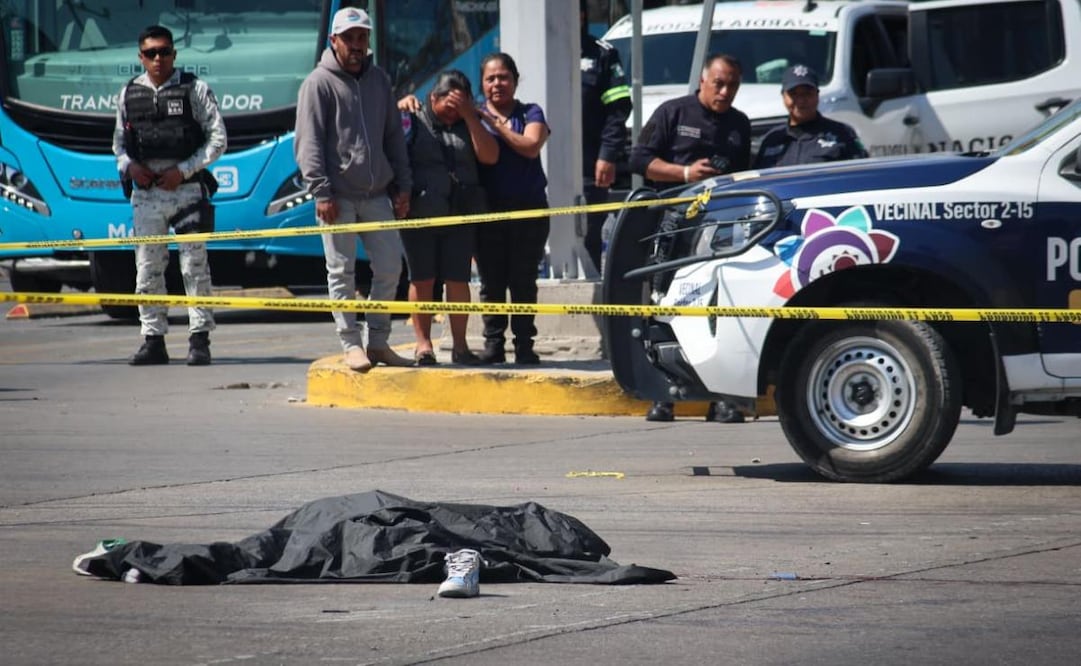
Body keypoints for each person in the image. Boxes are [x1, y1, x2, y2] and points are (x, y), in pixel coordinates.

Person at [629, 53, 751, 423]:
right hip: (674, 224)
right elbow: (638, 160)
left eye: (732, 85)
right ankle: (664, 393)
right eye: (719, 83)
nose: (725, 91)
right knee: (664, 303)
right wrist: (684, 173)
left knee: (718, 309)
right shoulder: (673, 113)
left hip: (722, 229)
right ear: (703, 80)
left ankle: (722, 396)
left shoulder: (740, 124)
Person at [294, 7, 414, 373]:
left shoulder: (379, 80)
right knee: (341, 272)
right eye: (350, 38)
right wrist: (321, 192)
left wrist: (403, 186)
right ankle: (351, 345)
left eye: (362, 37)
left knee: (391, 267)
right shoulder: (318, 83)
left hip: (378, 194)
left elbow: (394, 137)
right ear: (334, 41)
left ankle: (378, 342)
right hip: (337, 198)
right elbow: (308, 142)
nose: (357, 45)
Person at [113, 25, 226, 367]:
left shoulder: (195, 89)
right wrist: (131, 167)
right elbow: (119, 144)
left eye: (164, 52)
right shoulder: (128, 94)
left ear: (174, 54)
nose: (158, 59)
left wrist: (185, 171)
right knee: (147, 269)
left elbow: (218, 139)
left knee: (194, 266)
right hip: (147, 195)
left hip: (187, 190)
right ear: (141, 57)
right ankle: (153, 340)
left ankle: (200, 339)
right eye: (150, 53)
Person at [398, 70, 498, 365]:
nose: (454, 113)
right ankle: (423, 345)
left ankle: (460, 346)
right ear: (433, 98)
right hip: (420, 215)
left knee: (458, 280)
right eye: (449, 106)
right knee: (423, 279)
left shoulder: (471, 122)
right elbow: (384, 135)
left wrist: (469, 116)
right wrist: (398, 106)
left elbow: (490, 156)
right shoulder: (412, 119)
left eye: (461, 104)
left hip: (460, 215)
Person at [474, 52, 551, 365]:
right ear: (482, 83)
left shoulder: (531, 112)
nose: (497, 84)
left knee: (523, 281)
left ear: (515, 81)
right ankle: (494, 344)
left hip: (529, 211)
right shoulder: (473, 116)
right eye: (490, 78)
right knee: (491, 282)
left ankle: (524, 345)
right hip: (488, 212)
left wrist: (495, 125)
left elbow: (530, 147)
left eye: (503, 77)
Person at [580, 1, 632, 275]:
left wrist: (607, 154)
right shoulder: (536, 51)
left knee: (587, 233)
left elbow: (619, 108)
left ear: (581, 14)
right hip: (538, 163)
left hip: (590, 166)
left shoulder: (602, 54)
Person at [754, 64, 868, 169]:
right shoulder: (772, 140)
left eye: (807, 93)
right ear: (783, 97)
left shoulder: (842, 134)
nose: (801, 100)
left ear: (817, 96)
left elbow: (859, 175)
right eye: (793, 94)